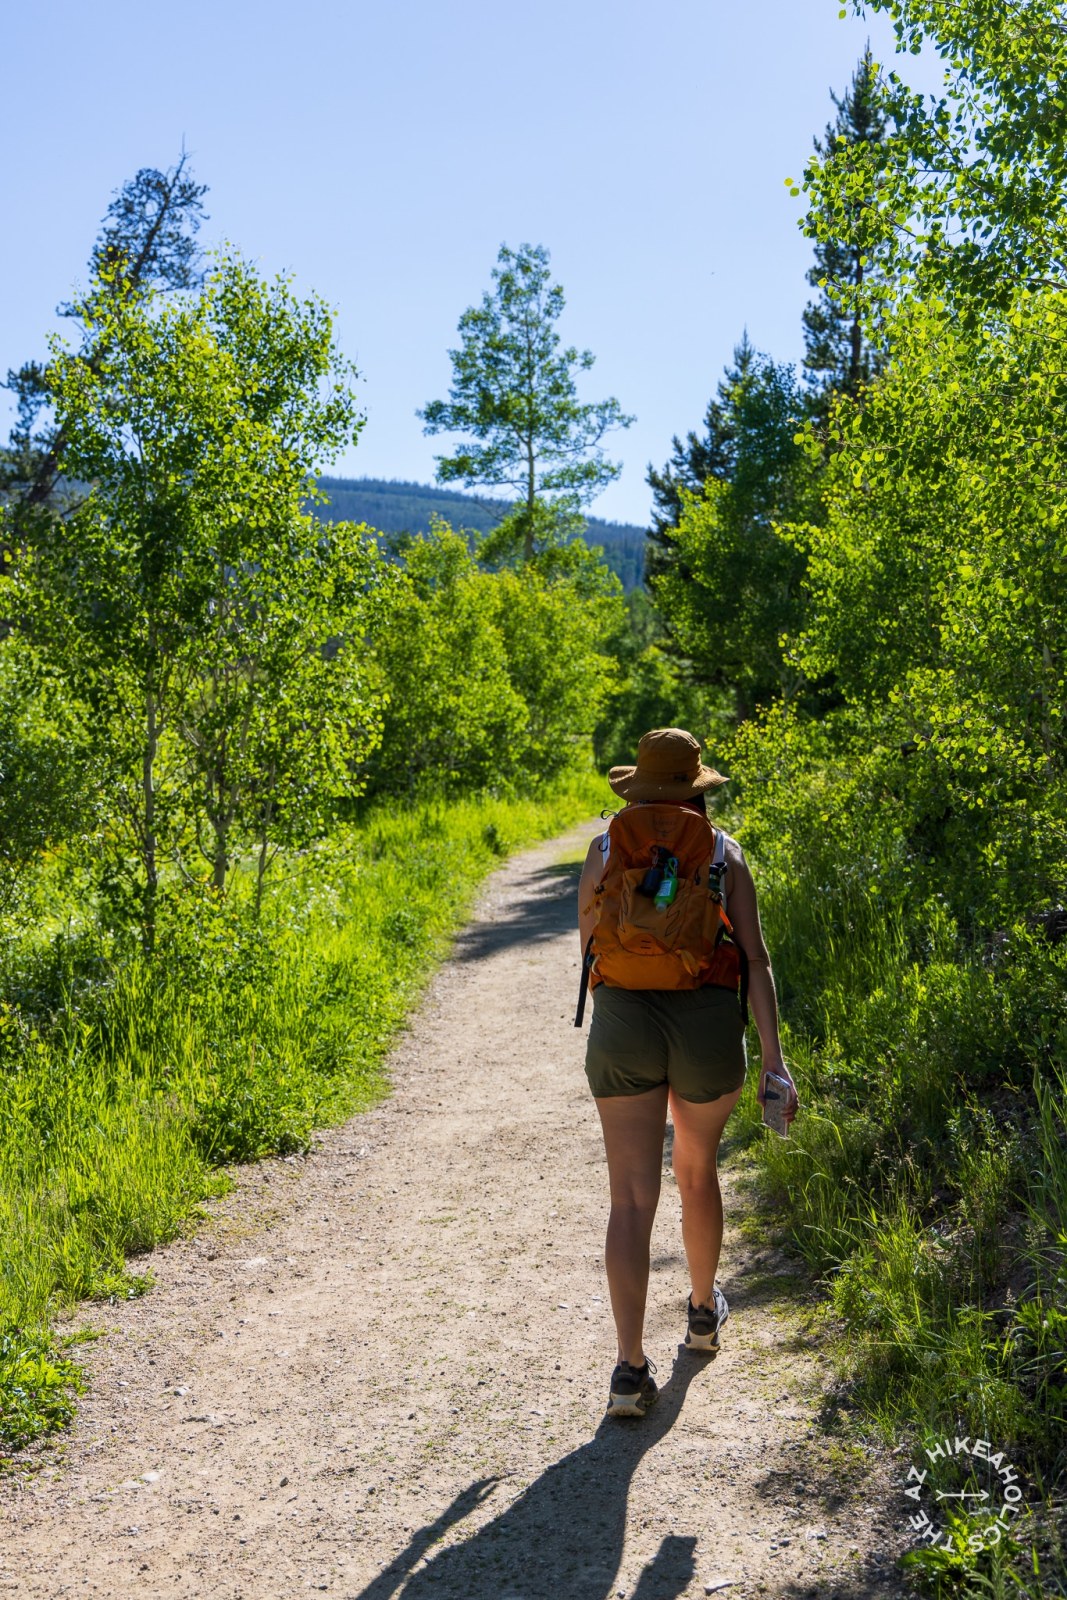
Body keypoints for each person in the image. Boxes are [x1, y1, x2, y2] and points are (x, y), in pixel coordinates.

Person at [577, 727, 798, 1418]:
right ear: (697, 786)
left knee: (630, 1201)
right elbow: (755, 960)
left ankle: (627, 1370)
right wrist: (773, 1058)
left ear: (638, 783)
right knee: (697, 1173)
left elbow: (588, 945)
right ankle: (702, 1313)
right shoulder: (724, 853)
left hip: (620, 1027)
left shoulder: (606, 846)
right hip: (705, 1026)